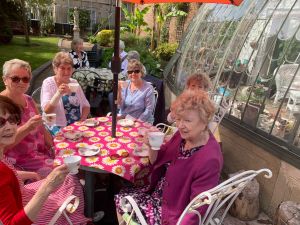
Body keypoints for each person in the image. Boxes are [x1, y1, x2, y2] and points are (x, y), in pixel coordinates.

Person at [115, 89, 223, 225]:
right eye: (179, 119)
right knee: (121, 195)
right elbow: (158, 159)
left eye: (187, 120)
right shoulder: (182, 136)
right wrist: (151, 146)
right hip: (158, 194)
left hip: (173, 212)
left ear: (204, 122)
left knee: (123, 201)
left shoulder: (209, 159)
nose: (180, 125)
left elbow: (198, 206)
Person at [0, 95, 89, 225]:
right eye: (0, 122)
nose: (9, 127)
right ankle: (76, 220)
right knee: (70, 187)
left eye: (13, 119)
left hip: (22, 195)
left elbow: (7, 179)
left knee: (68, 178)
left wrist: (30, 175)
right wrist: (47, 186)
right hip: (27, 215)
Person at [1, 59, 54, 177]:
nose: (21, 82)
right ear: (5, 80)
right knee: (63, 172)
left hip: (41, 152)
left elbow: (41, 126)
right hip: (21, 160)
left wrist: (53, 147)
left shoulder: (28, 99)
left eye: (25, 79)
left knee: (70, 156)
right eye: (15, 79)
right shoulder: (2, 106)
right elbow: (2, 147)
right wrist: (27, 127)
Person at [41, 52, 90, 133]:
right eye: (62, 68)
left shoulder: (74, 82)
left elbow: (86, 105)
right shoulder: (48, 83)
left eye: (69, 68)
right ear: (55, 69)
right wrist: (58, 94)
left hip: (77, 124)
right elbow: (46, 110)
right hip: (56, 126)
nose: (66, 72)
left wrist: (83, 119)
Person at [117, 59, 155, 123]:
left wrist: (137, 122)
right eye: (130, 72)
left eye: (136, 71)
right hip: (125, 119)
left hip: (141, 121)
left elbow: (148, 110)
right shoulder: (125, 84)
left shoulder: (148, 88)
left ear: (141, 72)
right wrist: (119, 90)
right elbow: (119, 106)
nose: (133, 74)